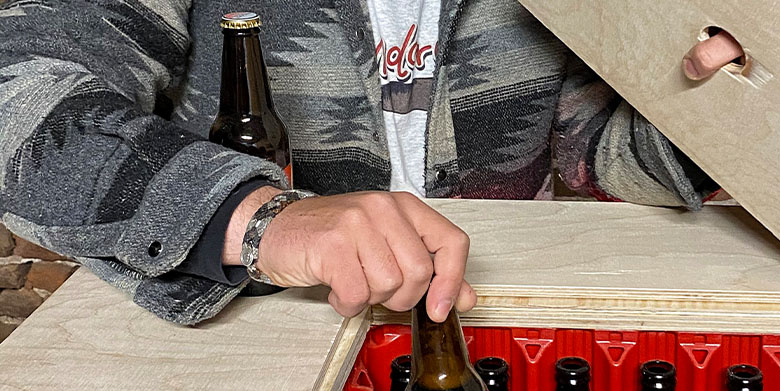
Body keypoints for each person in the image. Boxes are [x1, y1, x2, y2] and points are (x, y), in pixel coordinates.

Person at [0, 1, 742, 324]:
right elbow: (18, 94)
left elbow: (593, 148)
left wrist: (730, 116)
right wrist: (257, 222)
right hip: (262, 316)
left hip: (493, 305)